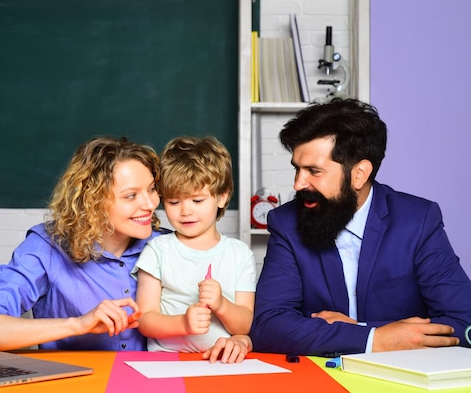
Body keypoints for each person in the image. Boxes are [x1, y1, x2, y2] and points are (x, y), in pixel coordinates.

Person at [250, 98, 471, 356]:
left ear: (359, 174)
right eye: (297, 169)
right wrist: (375, 338)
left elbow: (464, 321)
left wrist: (366, 331)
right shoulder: (286, 223)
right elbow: (268, 326)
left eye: (313, 171)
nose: (298, 184)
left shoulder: (418, 221)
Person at [0, 136, 165, 352]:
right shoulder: (46, 247)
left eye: (152, 189)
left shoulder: (165, 245)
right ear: (92, 201)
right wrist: (78, 324)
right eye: (131, 196)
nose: (151, 204)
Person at [134, 136, 257, 363]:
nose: (185, 212)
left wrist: (221, 304)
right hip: (165, 361)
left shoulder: (240, 255)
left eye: (197, 201)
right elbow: (144, 320)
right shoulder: (157, 250)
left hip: (221, 362)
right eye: (174, 202)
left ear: (223, 196)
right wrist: (183, 323)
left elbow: (245, 324)